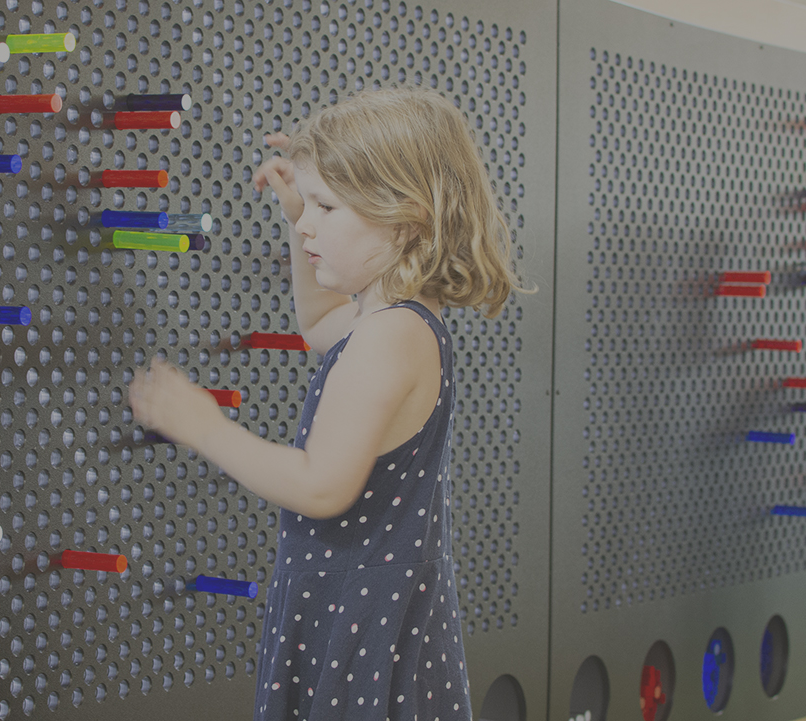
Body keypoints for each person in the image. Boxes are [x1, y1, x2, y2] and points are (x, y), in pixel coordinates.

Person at [128, 87, 524, 720]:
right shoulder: (394, 319)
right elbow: (317, 323)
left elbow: (320, 487)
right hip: (355, 605)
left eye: (326, 207)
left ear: (407, 220)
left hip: (361, 615)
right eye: (307, 204)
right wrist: (295, 219)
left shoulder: (391, 336)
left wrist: (203, 425)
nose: (307, 221)